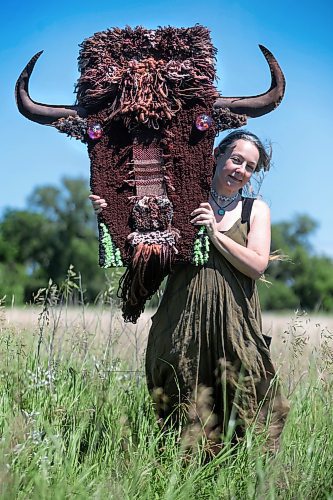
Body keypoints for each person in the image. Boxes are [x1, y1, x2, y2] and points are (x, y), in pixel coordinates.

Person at [90, 130, 289, 453]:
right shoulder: (183, 198)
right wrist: (108, 215)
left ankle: (245, 476)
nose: (240, 170)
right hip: (182, 320)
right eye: (235, 159)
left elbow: (256, 265)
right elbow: (140, 249)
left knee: (248, 396)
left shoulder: (256, 210)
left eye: (249, 166)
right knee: (182, 395)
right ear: (217, 157)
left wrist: (214, 233)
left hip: (236, 325)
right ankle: (180, 472)